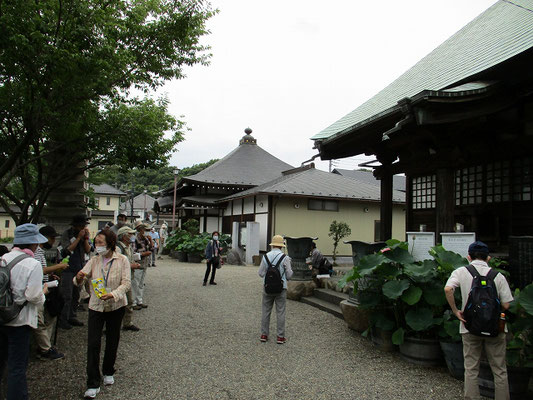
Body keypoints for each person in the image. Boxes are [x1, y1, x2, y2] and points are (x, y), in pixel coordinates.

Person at [444, 241, 513, 400]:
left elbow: (448, 289)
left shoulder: (461, 272)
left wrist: (456, 311)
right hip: (495, 328)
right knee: (500, 370)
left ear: (468, 257)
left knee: (471, 368)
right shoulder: (498, 276)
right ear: (488, 258)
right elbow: (507, 304)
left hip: (469, 327)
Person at [74, 229, 131, 399]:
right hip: (96, 305)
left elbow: (126, 283)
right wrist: (78, 278)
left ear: (110, 243)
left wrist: (113, 294)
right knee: (93, 343)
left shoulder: (122, 260)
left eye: (100, 242)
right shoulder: (94, 260)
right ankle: (92, 381)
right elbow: (81, 278)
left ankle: (108, 370)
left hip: (116, 305)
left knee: (113, 340)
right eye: (96, 242)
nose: (97, 245)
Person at [0, 224, 49, 399]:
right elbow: (33, 296)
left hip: (1, 318)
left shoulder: (3, 258)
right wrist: (43, 292)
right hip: (20, 321)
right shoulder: (32, 264)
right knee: (17, 367)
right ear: (33, 244)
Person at [33, 225, 68, 360]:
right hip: (39, 289)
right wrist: (59, 266)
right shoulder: (36, 251)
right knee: (40, 320)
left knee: (50, 316)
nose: (54, 241)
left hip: (46, 286)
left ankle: (44, 345)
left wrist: (51, 275)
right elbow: (40, 270)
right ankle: (44, 349)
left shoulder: (40, 251)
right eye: (52, 238)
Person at [58, 214, 92, 329]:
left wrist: (86, 238)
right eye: (81, 226)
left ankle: (72, 316)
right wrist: (78, 238)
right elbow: (67, 249)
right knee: (67, 294)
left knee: (76, 294)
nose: (83, 227)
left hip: (79, 267)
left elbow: (88, 250)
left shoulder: (84, 235)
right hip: (68, 268)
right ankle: (63, 319)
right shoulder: (67, 234)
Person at [258, 235, 293, 344]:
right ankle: (280, 337)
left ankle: (264, 334)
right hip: (281, 288)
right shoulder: (285, 257)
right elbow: (289, 275)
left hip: (267, 287)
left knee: (266, 311)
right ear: (281, 246)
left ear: (272, 245)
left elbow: (261, 273)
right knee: (280, 312)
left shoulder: (266, 256)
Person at [115, 226, 141, 332]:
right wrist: (131, 266)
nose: (132, 236)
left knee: (129, 301)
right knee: (117, 302)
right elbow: (116, 264)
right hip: (119, 279)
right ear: (124, 236)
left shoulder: (128, 246)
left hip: (128, 278)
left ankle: (127, 323)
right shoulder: (118, 248)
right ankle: (112, 325)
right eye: (130, 234)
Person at [131, 221, 152, 310]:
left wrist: (150, 240)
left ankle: (139, 300)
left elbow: (152, 247)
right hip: (138, 264)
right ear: (139, 229)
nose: (145, 231)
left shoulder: (145, 238)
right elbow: (133, 253)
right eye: (144, 229)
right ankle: (133, 302)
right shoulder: (134, 239)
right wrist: (143, 254)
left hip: (145, 263)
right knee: (135, 283)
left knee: (141, 284)